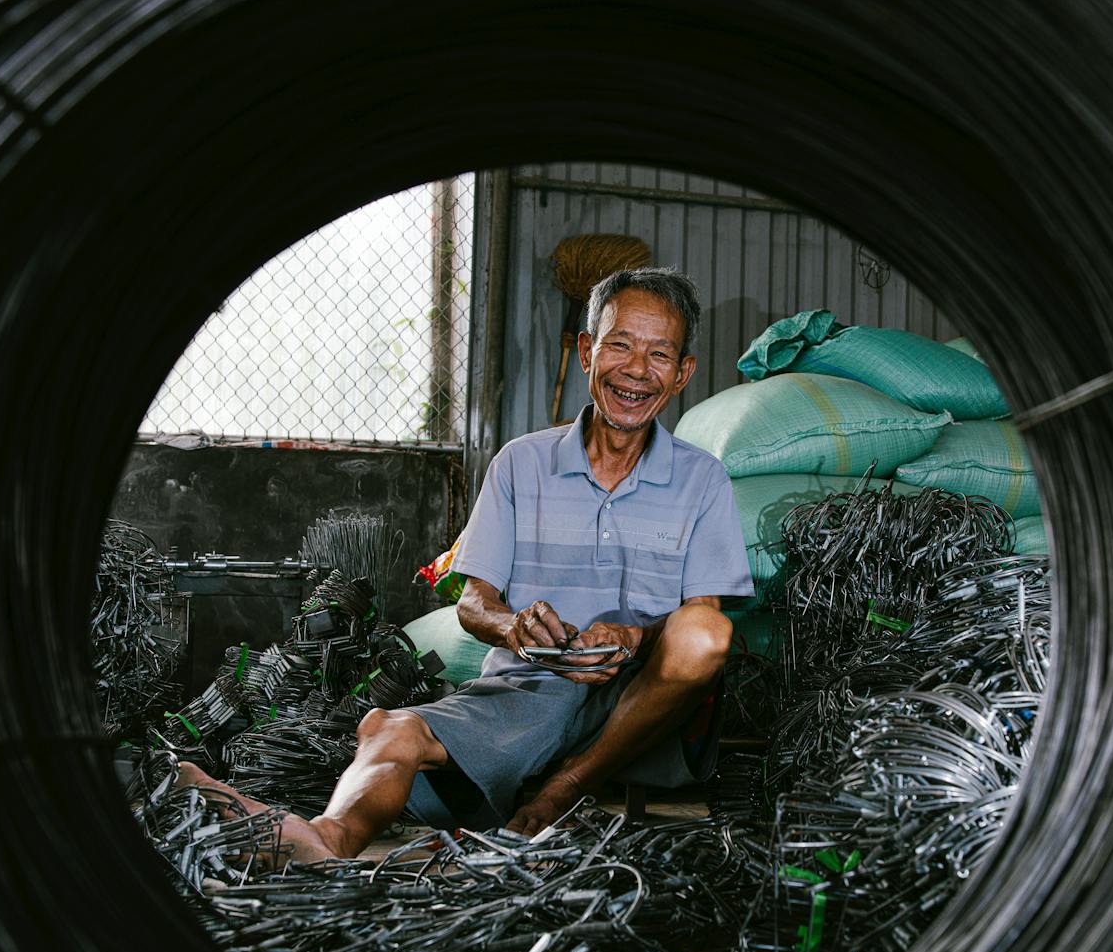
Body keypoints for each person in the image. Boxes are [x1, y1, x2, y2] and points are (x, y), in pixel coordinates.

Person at [183, 266, 752, 865]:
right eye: (619, 345)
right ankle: (327, 837)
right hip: (534, 688)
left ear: (683, 372)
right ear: (587, 353)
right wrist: (514, 629)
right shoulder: (520, 464)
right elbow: (473, 602)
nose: (637, 370)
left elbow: (702, 618)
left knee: (704, 631)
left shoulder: (702, 478)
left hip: (645, 699)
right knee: (390, 727)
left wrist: (638, 634)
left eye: (659, 354)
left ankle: (565, 789)